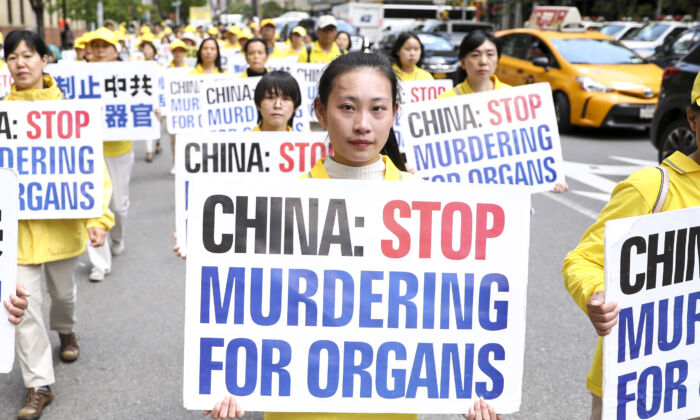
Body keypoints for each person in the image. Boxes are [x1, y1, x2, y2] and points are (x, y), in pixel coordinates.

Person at [563, 72, 700, 420]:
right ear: (693, 119)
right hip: (643, 390)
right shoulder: (651, 188)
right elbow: (582, 260)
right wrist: (596, 295)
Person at [3, 29, 114, 420]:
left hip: (62, 228)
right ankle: (38, 384)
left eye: (28, 55)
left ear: (45, 60)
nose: (20, 63)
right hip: (16, 235)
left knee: (63, 296)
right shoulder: (2, 115)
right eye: (13, 56)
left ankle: (66, 329)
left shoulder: (69, 112)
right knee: (23, 308)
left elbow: (92, 169)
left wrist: (98, 218)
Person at [436, 30, 568, 193]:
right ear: (463, 62)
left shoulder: (515, 99)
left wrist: (549, 179)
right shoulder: (443, 102)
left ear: (498, 59)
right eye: (475, 55)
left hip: (505, 197)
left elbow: (528, 150)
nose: (483, 61)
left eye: (490, 54)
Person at [87, 27, 134, 281]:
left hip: (119, 150)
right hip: (88, 152)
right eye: (95, 46)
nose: (99, 50)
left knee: (118, 205)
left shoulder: (130, 74)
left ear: (116, 50)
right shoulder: (79, 76)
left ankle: (118, 236)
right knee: (93, 205)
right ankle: (99, 262)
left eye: (105, 46)